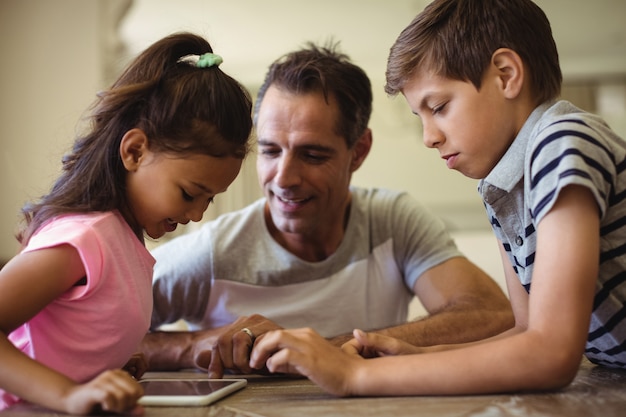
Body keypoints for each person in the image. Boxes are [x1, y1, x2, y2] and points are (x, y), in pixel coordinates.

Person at [248, 0, 626, 397]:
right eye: (421, 117)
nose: (429, 137)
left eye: (439, 107)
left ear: (506, 74)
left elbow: (550, 353)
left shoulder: (560, 143)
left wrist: (354, 376)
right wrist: (417, 356)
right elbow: (526, 332)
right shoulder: (501, 186)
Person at [140, 41, 513, 378]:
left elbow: (490, 313)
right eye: (270, 151)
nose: (284, 178)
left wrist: (326, 349)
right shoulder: (211, 253)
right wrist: (190, 346)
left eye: (312, 154)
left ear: (359, 151)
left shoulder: (393, 221)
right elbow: (85, 332)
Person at [0, 32, 252, 415]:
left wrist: (107, 365)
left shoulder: (123, 241)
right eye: (189, 193)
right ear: (134, 151)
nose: (198, 214)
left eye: (210, 199)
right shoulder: (84, 239)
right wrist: (68, 393)